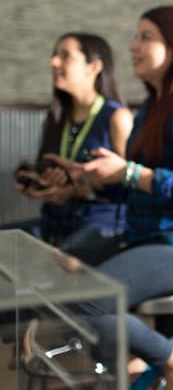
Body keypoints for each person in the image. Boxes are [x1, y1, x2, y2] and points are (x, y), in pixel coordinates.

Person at [48, 6, 173, 390]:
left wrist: (128, 172)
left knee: (91, 296)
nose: (132, 46)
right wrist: (84, 181)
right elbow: (136, 184)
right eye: (135, 37)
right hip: (152, 236)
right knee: (62, 278)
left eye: (145, 37)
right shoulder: (153, 107)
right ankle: (139, 366)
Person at [11, 32, 132, 265]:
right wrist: (39, 180)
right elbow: (50, 166)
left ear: (93, 67)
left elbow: (133, 186)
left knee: (57, 265)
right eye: (54, 55)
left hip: (101, 228)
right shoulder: (57, 118)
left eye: (65, 56)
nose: (53, 62)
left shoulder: (117, 118)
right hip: (55, 223)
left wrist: (80, 190)